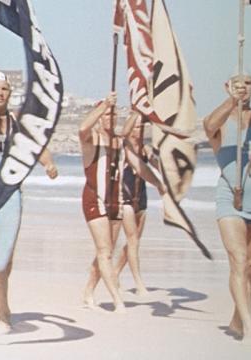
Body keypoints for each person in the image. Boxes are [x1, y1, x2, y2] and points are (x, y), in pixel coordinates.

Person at [0, 71, 58, 329]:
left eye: (4, 89)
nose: (0, 93)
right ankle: (5, 312)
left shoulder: (16, 121)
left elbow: (36, 146)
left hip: (12, 194)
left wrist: (49, 164)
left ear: (10, 93)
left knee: (7, 258)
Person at [203, 73, 251, 346]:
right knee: (239, 261)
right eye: (237, 82)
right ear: (227, 86)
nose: (243, 86)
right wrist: (233, 101)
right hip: (230, 197)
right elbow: (209, 125)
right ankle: (250, 324)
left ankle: (237, 318)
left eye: (249, 83)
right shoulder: (221, 121)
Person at [79, 94, 163, 313]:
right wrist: (104, 104)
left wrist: (159, 184)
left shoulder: (120, 142)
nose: (110, 117)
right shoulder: (92, 139)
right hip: (94, 199)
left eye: (113, 114)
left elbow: (139, 167)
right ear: (99, 117)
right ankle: (117, 299)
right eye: (107, 114)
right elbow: (82, 128)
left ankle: (88, 292)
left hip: (115, 202)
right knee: (105, 251)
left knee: (106, 252)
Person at [114, 113, 158, 296]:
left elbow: (157, 167)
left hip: (141, 197)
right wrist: (137, 111)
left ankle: (115, 273)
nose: (138, 130)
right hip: (124, 196)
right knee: (133, 241)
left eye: (142, 127)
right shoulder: (123, 147)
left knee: (134, 242)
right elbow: (123, 133)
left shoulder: (145, 148)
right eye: (136, 126)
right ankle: (139, 283)